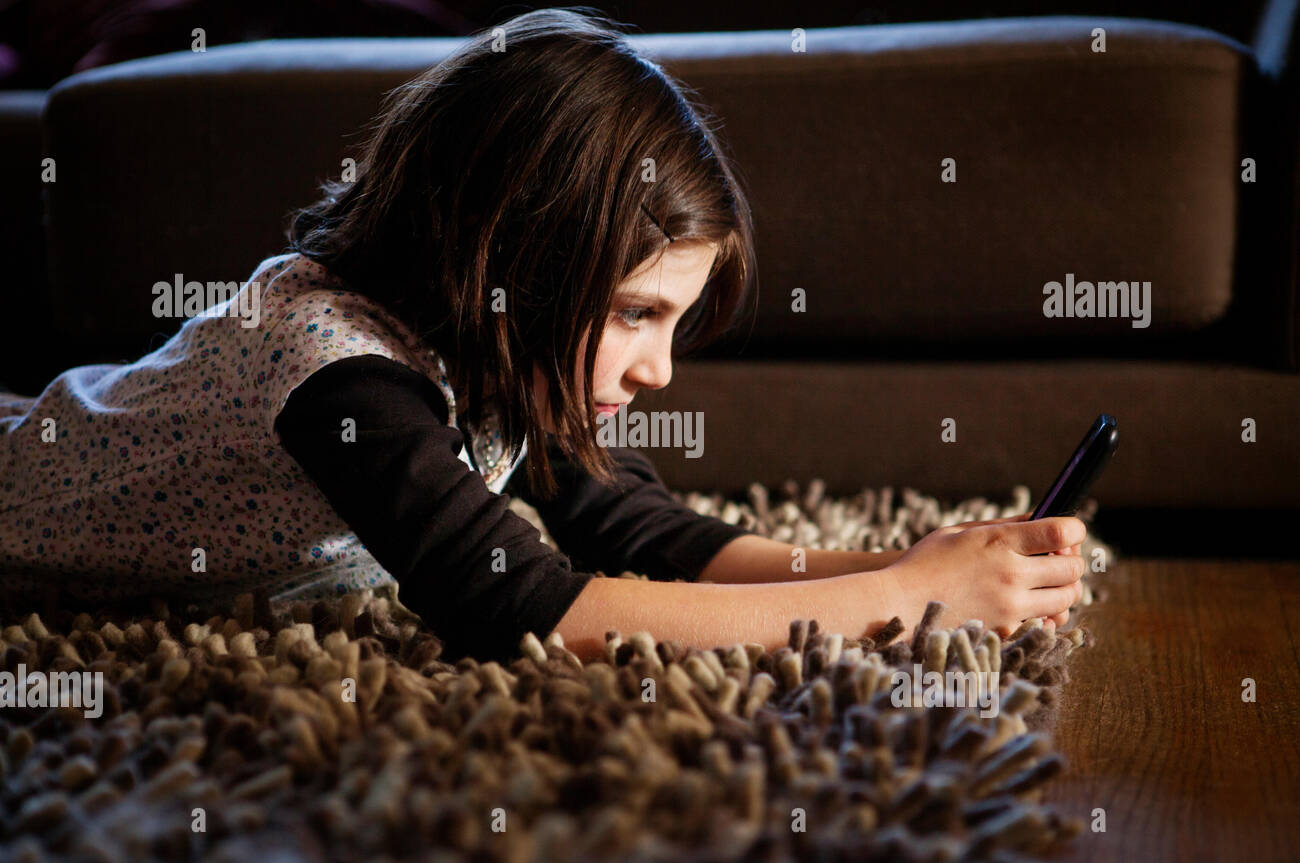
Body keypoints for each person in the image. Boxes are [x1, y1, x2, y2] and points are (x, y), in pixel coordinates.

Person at [0, 8, 1085, 664]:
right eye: (633, 313)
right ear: (507, 258)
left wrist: (914, 561)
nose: (659, 368)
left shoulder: (492, 356)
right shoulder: (331, 370)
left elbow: (642, 534)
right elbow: (518, 606)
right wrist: (904, 603)